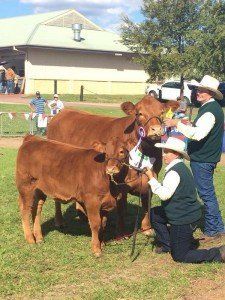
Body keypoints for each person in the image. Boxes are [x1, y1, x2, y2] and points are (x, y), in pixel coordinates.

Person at [144, 137, 225, 263]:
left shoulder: (174, 172)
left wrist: (151, 178)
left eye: (167, 152)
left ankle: (218, 254)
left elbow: (165, 195)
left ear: (176, 154)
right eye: (164, 151)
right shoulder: (179, 167)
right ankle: (168, 245)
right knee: (155, 214)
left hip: (183, 218)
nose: (163, 154)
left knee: (180, 256)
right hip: (183, 212)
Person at [165, 75, 225, 242]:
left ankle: (213, 230)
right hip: (204, 158)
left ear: (210, 93)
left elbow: (198, 135)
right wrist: (189, 125)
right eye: (198, 89)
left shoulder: (210, 111)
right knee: (207, 193)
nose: (198, 92)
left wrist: (177, 124)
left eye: (202, 90)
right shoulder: (209, 108)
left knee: (206, 194)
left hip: (203, 159)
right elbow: (199, 130)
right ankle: (218, 227)